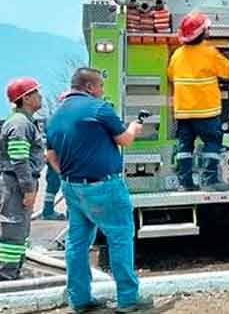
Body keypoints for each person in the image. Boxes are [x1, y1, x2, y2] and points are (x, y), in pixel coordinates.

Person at [46, 68, 152, 313]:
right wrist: (134, 128)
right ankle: (128, 300)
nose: (102, 91)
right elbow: (124, 140)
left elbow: (50, 155)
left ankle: (79, 299)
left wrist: (67, 175)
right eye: (100, 86)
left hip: (72, 187)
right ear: (90, 87)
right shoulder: (98, 108)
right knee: (120, 237)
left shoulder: (55, 115)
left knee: (77, 243)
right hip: (104, 186)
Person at [167, 11, 229, 192]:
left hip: (183, 112)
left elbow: (170, 75)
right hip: (206, 111)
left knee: (184, 146)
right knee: (212, 142)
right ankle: (210, 180)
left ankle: (185, 183)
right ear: (203, 32)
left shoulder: (177, 54)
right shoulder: (209, 53)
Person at [0, 77, 46, 281]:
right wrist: (28, 189)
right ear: (26, 98)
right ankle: (4, 278)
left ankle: (12, 274)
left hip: (18, 183)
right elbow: (19, 160)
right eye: (36, 93)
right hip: (16, 184)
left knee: (19, 233)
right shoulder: (19, 124)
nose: (40, 97)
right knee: (13, 234)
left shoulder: (25, 122)